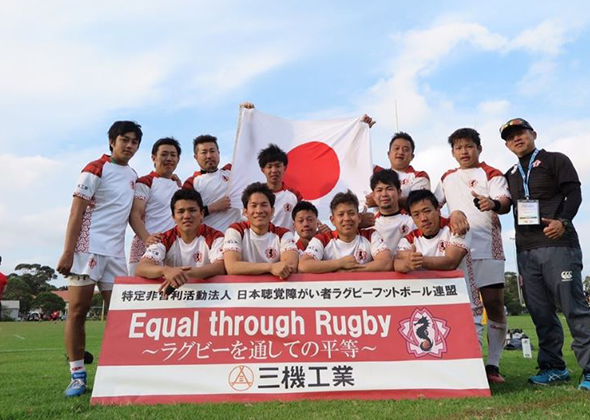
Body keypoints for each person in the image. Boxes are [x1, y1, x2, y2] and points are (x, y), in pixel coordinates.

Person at [500, 117, 590, 390]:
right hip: (526, 250)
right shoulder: (510, 174)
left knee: (574, 308)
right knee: (540, 312)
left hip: (559, 244)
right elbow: (504, 206)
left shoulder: (555, 160)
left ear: (533, 134)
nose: (516, 138)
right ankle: (553, 367)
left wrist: (562, 222)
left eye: (521, 133)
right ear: (506, 145)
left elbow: (574, 194)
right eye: (510, 137)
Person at [56, 121, 142, 397]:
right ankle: (77, 375)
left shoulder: (133, 174)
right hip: (87, 249)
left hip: (115, 253)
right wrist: (68, 251)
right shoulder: (95, 168)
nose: (129, 146)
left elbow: (131, 215)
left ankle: (120, 371)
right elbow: (76, 212)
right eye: (124, 140)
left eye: (134, 142)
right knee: (78, 311)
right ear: (112, 141)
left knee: (119, 316)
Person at [434, 127, 512, 384]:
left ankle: (493, 365)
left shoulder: (492, 173)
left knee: (494, 306)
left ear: (479, 148)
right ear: (453, 152)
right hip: (457, 251)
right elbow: (430, 208)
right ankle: (469, 363)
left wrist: (493, 204)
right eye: (458, 147)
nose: (464, 151)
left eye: (469, 146)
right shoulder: (447, 177)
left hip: (488, 248)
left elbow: (504, 201)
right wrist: (451, 216)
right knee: (464, 309)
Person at [396, 190, 484, 342]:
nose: (423, 218)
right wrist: (406, 262)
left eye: (427, 211)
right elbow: (398, 263)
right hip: (429, 309)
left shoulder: (456, 227)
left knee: (468, 359)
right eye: (416, 214)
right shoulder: (409, 239)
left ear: (438, 210)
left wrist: (417, 261)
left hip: (464, 304)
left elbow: (451, 262)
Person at [135, 189, 225, 295]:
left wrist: (182, 274)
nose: (186, 216)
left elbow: (220, 267)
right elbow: (141, 268)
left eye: (192, 210)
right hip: (174, 300)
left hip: (207, 297)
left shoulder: (216, 237)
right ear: (173, 217)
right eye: (181, 212)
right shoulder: (163, 239)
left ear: (201, 214)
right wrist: (166, 271)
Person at [299, 190, 392, 273]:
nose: (347, 219)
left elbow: (386, 262)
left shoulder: (371, 235)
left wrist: (353, 270)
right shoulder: (322, 239)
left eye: (351, 213)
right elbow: (304, 265)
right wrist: (339, 263)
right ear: (332, 220)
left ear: (359, 218)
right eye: (341, 214)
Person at [128, 137, 182, 275]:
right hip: (146, 246)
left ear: (178, 159)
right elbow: (135, 215)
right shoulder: (145, 182)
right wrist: (147, 238)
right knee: (140, 293)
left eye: (173, 155)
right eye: (164, 154)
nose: (169, 158)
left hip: (172, 248)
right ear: (154, 158)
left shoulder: (178, 186)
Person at [223, 182, 298, 279]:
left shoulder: (284, 234)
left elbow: (290, 266)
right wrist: (270, 267)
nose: (259, 211)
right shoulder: (236, 230)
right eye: (254, 206)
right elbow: (231, 267)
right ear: (245, 212)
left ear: (272, 211)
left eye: (264, 205)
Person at [182, 134, 241, 232]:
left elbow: (249, 154)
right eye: (204, 152)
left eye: (212, 151)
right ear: (196, 157)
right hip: (209, 240)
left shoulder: (231, 170)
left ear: (218, 153)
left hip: (236, 238)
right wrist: (213, 207)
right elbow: (185, 214)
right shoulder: (192, 183)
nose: (209, 156)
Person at [367, 132, 430, 210]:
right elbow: (352, 158)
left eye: (405, 150)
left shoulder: (419, 176)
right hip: (379, 221)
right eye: (396, 148)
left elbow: (419, 201)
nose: (400, 152)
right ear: (388, 154)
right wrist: (362, 128)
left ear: (412, 156)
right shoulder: (375, 172)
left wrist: (379, 199)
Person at [257, 143, 303, 231]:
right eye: (269, 167)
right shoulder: (255, 195)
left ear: (284, 167)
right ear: (263, 170)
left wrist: (321, 227)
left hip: (286, 243)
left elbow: (307, 217)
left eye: (278, 166)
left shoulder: (295, 196)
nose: (274, 170)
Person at [370, 169, 416, 256]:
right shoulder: (369, 227)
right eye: (379, 190)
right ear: (373, 196)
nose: (384, 194)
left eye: (389, 189)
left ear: (399, 193)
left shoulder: (412, 221)